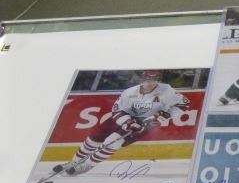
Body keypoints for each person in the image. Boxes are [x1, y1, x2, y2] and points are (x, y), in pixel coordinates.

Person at [52, 70, 189, 176]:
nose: (151, 83)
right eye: (148, 79)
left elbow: (184, 104)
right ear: (142, 80)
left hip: (144, 123)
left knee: (113, 141)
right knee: (94, 138)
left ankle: (86, 166)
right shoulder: (129, 92)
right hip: (123, 118)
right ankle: (74, 162)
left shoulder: (167, 91)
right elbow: (116, 110)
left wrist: (166, 114)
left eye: (155, 80)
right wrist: (127, 122)